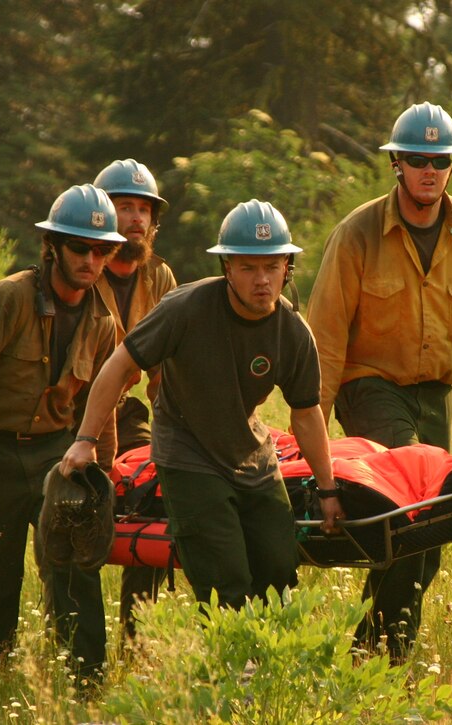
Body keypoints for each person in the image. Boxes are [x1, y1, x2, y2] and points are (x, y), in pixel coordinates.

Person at [61, 199, 345, 610]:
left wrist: (328, 488)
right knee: (225, 581)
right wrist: (86, 440)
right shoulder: (186, 309)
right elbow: (119, 365)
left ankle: (269, 670)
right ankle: (233, 671)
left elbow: (306, 413)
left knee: (279, 572)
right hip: (187, 454)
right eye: (248, 267)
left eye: (271, 266)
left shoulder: (293, 331)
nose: (261, 279)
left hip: (252, 458)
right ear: (227, 268)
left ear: (288, 267)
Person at [307, 102, 452, 662]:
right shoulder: (357, 235)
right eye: (417, 158)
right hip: (368, 389)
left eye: (440, 159)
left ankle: (371, 653)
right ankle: (386, 659)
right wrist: (311, 439)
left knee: (431, 527)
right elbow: (324, 341)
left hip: (436, 396)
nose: (429, 170)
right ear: (395, 162)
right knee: (413, 509)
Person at [0, 184, 123, 684]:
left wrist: (108, 467)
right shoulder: (8, 298)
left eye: (102, 250)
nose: (91, 259)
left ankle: (85, 683)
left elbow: (101, 399)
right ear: (53, 246)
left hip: (58, 456)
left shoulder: (104, 320)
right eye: (81, 247)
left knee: (76, 566)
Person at [92, 158, 176, 640]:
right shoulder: (83, 265)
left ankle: (138, 637)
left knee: (155, 494)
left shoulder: (160, 279)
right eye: (125, 207)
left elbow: (169, 370)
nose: (137, 219)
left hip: (128, 411)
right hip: (72, 412)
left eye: (144, 209)